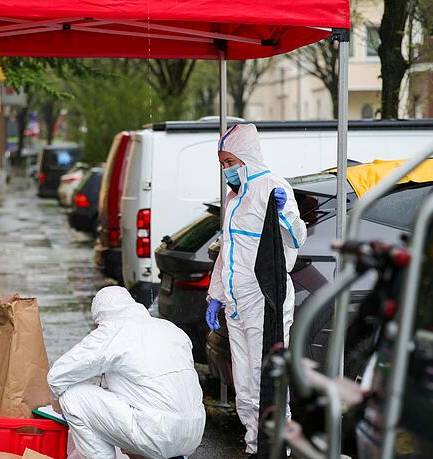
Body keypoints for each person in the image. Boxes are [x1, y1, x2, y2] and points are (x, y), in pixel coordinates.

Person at [205, 123, 306, 458]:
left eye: (230, 162)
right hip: (237, 303)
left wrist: (284, 212)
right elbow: (227, 252)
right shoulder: (234, 199)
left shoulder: (273, 187)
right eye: (222, 163)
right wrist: (216, 295)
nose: (226, 169)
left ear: (246, 157)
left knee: (269, 378)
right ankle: (253, 445)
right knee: (245, 382)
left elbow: (297, 237)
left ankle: (277, 449)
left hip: (265, 299)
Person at [47, 286, 206, 459]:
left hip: (157, 433)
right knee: (141, 399)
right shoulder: (171, 329)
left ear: (101, 315)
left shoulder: (113, 330)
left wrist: (59, 406)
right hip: (193, 432)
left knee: (73, 397)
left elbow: (58, 375)